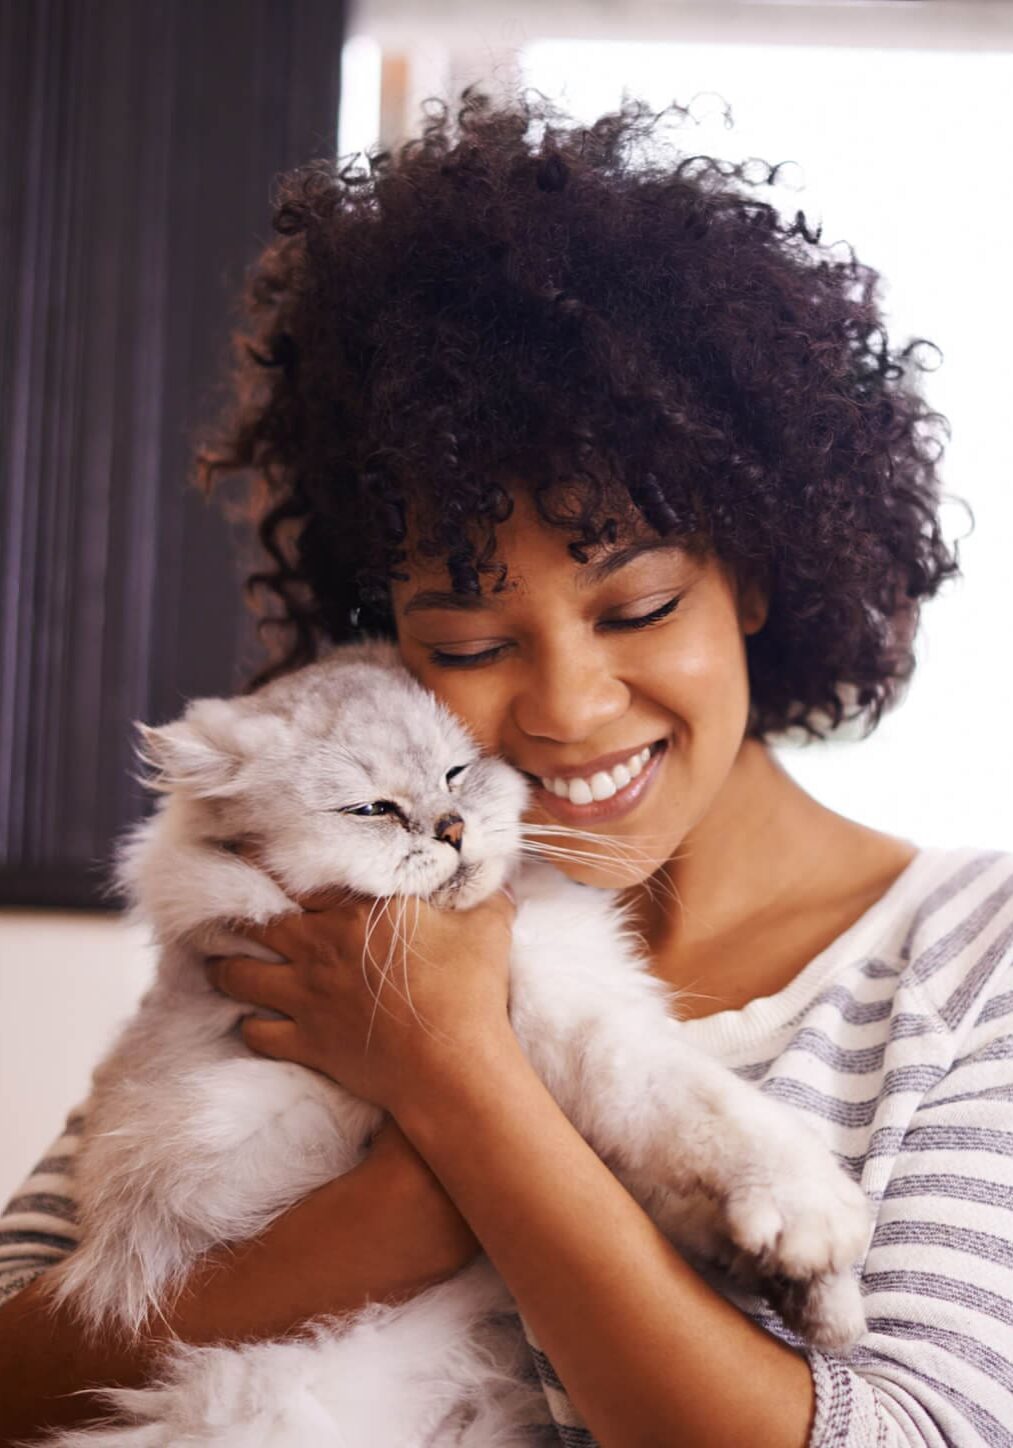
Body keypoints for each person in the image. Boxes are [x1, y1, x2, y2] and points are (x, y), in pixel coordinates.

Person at [1, 89, 1010, 1447]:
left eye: (638, 607)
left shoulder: (971, 961)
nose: (567, 706)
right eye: (469, 640)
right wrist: (386, 1215)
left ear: (758, 575)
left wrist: (459, 1087)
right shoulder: (335, 915)